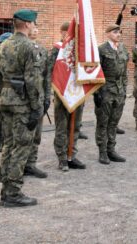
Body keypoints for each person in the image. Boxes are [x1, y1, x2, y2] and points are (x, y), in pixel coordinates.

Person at [0, 9, 44, 207]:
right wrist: (36, 107)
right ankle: (13, 193)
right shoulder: (28, 47)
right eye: (33, 22)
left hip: (6, 100)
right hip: (22, 103)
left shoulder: (3, 45)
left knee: (8, 144)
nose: (34, 25)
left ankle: (6, 187)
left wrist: (3, 94)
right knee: (22, 147)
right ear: (27, 24)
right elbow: (32, 80)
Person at [51, 22, 86, 171]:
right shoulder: (56, 50)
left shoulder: (79, 51)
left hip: (77, 92)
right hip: (62, 93)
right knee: (62, 127)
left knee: (75, 125)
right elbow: (51, 71)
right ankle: (62, 158)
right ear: (64, 33)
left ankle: (72, 154)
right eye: (69, 34)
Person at [94, 24, 129, 164]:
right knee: (103, 123)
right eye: (115, 32)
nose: (118, 34)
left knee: (114, 123)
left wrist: (125, 89)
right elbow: (96, 72)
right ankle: (102, 152)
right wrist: (97, 92)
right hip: (106, 90)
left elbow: (125, 72)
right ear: (107, 33)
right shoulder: (101, 49)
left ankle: (111, 150)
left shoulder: (122, 48)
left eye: (119, 32)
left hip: (119, 91)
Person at [23, 26, 51, 178]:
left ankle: (31, 164)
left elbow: (46, 76)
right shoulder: (20, 49)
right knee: (22, 136)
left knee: (37, 135)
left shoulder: (42, 50)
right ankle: (19, 166)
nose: (35, 30)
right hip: (23, 100)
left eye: (37, 28)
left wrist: (47, 97)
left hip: (39, 99)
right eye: (32, 27)